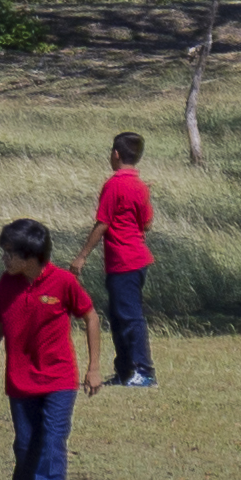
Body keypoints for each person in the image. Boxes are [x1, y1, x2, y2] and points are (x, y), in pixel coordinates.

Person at [0, 219, 102, 480]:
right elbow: (0, 323)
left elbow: (90, 316)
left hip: (59, 380)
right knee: (26, 445)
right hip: (20, 381)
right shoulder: (7, 283)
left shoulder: (63, 282)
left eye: (9, 253)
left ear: (30, 256)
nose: (3, 258)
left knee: (52, 442)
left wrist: (94, 367)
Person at [70, 132, 156, 387]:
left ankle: (144, 371)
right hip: (137, 259)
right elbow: (147, 223)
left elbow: (102, 223)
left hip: (123, 260)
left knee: (130, 317)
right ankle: (125, 370)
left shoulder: (114, 184)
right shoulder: (140, 186)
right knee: (119, 317)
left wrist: (81, 256)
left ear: (116, 154)